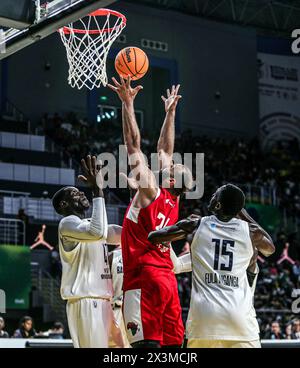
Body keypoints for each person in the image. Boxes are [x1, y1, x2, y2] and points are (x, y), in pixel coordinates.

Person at [108, 77, 193, 348]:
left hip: (144, 277)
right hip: (167, 280)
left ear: (171, 180)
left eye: (175, 167)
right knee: (173, 347)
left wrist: (127, 104)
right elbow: (165, 149)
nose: (172, 162)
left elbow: (133, 146)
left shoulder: (152, 190)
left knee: (146, 348)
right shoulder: (173, 197)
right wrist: (170, 113)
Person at [149, 184, 275, 348]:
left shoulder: (195, 224)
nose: (212, 196)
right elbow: (270, 249)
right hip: (240, 321)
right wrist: (242, 212)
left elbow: (154, 237)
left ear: (218, 205)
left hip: (203, 321)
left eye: (215, 195)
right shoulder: (251, 233)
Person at [52, 155, 122, 348]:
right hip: (86, 301)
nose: (81, 194)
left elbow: (117, 233)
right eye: (74, 194)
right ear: (64, 205)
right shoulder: (67, 224)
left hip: (103, 301)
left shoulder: (87, 225)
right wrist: (97, 190)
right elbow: (98, 232)